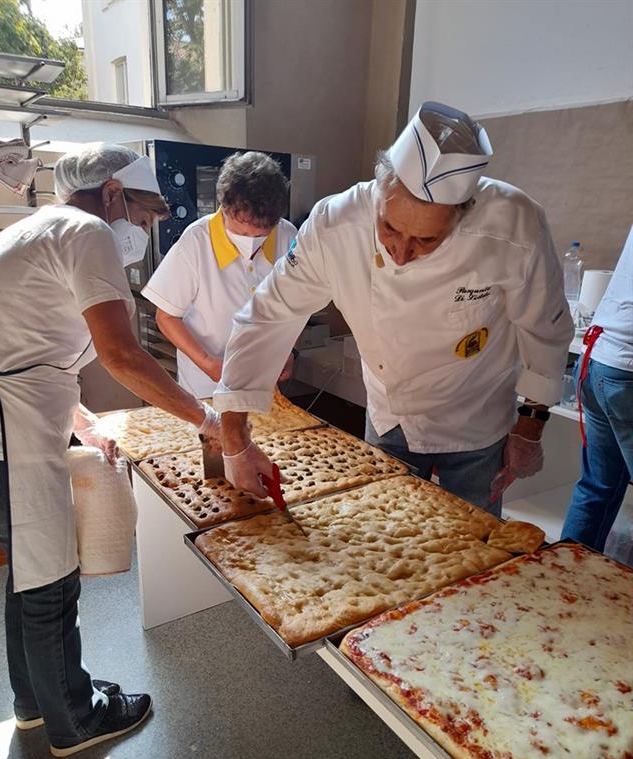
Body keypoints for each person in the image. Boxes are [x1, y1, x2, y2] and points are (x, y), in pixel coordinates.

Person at [212, 101, 575, 512]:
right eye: (389, 227)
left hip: (477, 420)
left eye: (426, 241)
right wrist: (235, 440)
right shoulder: (335, 223)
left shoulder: (514, 225)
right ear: (378, 193)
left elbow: (545, 326)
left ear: (464, 215)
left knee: (470, 545)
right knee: (385, 535)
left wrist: (530, 427)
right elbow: (267, 316)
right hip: (390, 417)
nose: (401, 253)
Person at [0, 143, 220, 758]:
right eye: (145, 216)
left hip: (16, 414)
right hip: (8, 429)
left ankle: (37, 702)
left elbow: (26, 348)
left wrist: (83, 420)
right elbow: (122, 355)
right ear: (114, 193)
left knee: (29, 575)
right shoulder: (87, 229)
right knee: (49, 575)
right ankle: (74, 719)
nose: (145, 230)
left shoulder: (42, 228)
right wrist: (207, 419)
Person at [142, 151, 297, 397]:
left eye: (262, 233)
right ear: (224, 208)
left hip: (263, 383)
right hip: (206, 390)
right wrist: (208, 363)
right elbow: (167, 317)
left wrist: (288, 350)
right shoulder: (196, 241)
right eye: (243, 233)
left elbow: (291, 305)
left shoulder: (287, 236)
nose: (252, 240)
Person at [562, 226, 633, 550]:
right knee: (599, 487)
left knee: (597, 488)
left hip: (598, 359)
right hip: (626, 374)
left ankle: (563, 585)